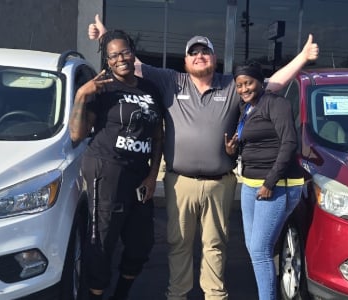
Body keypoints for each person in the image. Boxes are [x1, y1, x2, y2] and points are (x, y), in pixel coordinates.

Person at [87, 15, 318, 300]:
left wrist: (303, 57)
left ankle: (214, 295)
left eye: (204, 52)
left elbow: (274, 84)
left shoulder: (232, 85)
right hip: (179, 182)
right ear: (185, 61)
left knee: (215, 245)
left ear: (214, 58)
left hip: (220, 183)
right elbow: (127, 60)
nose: (199, 56)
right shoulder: (171, 80)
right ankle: (177, 295)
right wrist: (104, 36)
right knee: (178, 243)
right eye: (193, 53)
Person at [69, 29, 165, 300]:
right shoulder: (103, 88)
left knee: (140, 243)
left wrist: (151, 176)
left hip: (139, 176)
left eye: (124, 52)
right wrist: (81, 95)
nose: (120, 58)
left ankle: (119, 295)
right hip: (107, 171)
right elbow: (77, 135)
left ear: (133, 52)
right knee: (102, 241)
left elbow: (158, 136)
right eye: (113, 55)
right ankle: (95, 295)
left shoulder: (150, 89)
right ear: (107, 61)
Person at [224, 62, 303, 300]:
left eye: (248, 83)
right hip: (250, 184)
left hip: (276, 186)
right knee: (255, 248)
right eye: (239, 85)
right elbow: (253, 143)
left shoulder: (276, 104)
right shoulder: (246, 107)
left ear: (261, 82)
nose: (244, 89)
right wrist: (232, 150)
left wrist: (269, 182)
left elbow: (289, 143)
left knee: (259, 251)